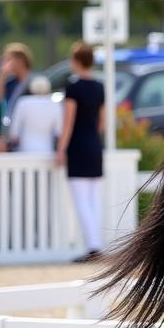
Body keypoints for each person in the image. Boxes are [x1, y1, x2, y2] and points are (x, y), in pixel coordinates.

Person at [56, 41, 106, 261]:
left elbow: (68, 122)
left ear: (75, 61)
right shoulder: (99, 86)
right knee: (93, 199)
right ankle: (96, 244)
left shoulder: (73, 87)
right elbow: (102, 122)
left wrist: (60, 149)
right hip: (95, 145)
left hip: (78, 146)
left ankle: (93, 247)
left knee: (81, 200)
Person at [10, 75, 63, 153]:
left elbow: (14, 134)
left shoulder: (22, 102)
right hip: (47, 153)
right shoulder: (55, 105)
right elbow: (59, 133)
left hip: (24, 152)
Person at [1, 42, 34, 127]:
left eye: (8, 60)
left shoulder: (35, 82)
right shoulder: (9, 83)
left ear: (20, 60)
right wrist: (2, 76)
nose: (5, 64)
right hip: (12, 128)